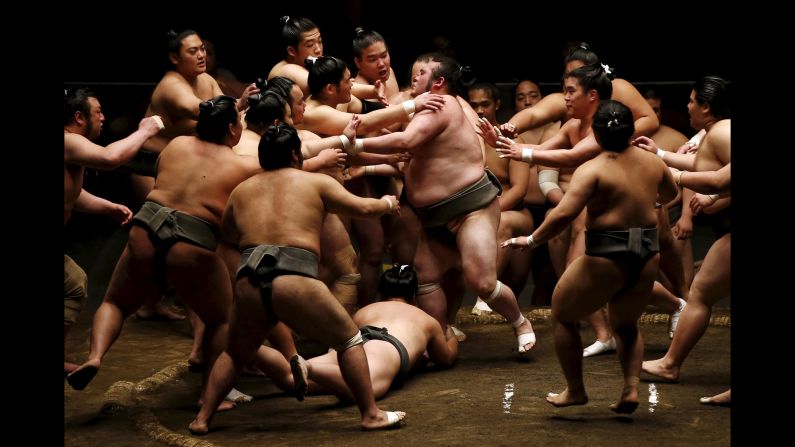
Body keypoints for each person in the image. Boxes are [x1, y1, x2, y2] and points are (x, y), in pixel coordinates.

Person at [189, 123, 405, 434]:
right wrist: (387, 203)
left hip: (249, 280)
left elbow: (229, 234)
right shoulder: (315, 183)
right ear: (295, 155)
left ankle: (202, 419)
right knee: (349, 339)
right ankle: (371, 414)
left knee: (235, 352)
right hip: (294, 277)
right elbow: (363, 209)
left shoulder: (242, 190)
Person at [67, 97, 261, 418]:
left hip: (147, 226)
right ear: (231, 128)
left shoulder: (176, 145)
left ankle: (96, 356)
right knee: (222, 320)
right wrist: (330, 152)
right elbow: (293, 164)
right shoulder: (241, 164)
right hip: (192, 241)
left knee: (115, 302)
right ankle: (210, 395)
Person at [347, 54, 536, 355]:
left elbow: (408, 141)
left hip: (470, 206)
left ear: (438, 82)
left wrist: (354, 144)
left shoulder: (443, 102)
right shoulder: (424, 105)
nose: (415, 76)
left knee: (482, 281)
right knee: (426, 275)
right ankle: (438, 337)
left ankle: (519, 321)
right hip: (433, 215)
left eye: (421, 72)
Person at [503, 99, 678, 413]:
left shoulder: (592, 168)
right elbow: (670, 195)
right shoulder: (653, 162)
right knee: (625, 324)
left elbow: (564, 214)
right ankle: (631, 389)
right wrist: (648, 203)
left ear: (596, 134)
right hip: (648, 254)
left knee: (562, 314)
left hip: (607, 257)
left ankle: (576, 390)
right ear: (630, 131)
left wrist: (531, 240)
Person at [637, 76, 731, 407]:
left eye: (692, 101)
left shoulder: (723, 131)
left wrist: (675, 177)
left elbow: (722, 176)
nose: (688, 106)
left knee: (702, 293)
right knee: (702, 292)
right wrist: (660, 153)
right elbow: (706, 167)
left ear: (706, 106)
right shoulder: (716, 135)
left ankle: (670, 364)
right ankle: (670, 364)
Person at [64, 87, 164, 375]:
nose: (104, 117)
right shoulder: (68, 140)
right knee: (72, 284)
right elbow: (110, 157)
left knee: (72, 283)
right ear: (80, 117)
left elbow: (72, 193)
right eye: (98, 112)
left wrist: (106, 206)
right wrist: (144, 131)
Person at [292, 264, 458, 400]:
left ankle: (268, 353)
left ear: (381, 293)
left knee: (289, 379)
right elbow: (445, 359)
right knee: (366, 388)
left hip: (355, 344)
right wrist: (451, 337)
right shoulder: (426, 320)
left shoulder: (365, 310)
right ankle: (309, 367)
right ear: (414, 296)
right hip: (386, 346)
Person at [467, 82, 533, 315]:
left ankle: (485, 296)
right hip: (473, 213)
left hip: (512, 213)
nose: (480, 110)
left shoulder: (511, 141)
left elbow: (518, 190)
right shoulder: (463, 140)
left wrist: (489, 212)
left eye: (485, 104)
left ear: (497, 104)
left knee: (502, 224)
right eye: (474, 105)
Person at [268, 16, 384, 102]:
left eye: (320, 41)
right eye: (310, 45)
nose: (318, 49)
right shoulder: (286, 69)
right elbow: (330, 85)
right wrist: (373, 90)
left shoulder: (311, 65)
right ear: (291, 51)